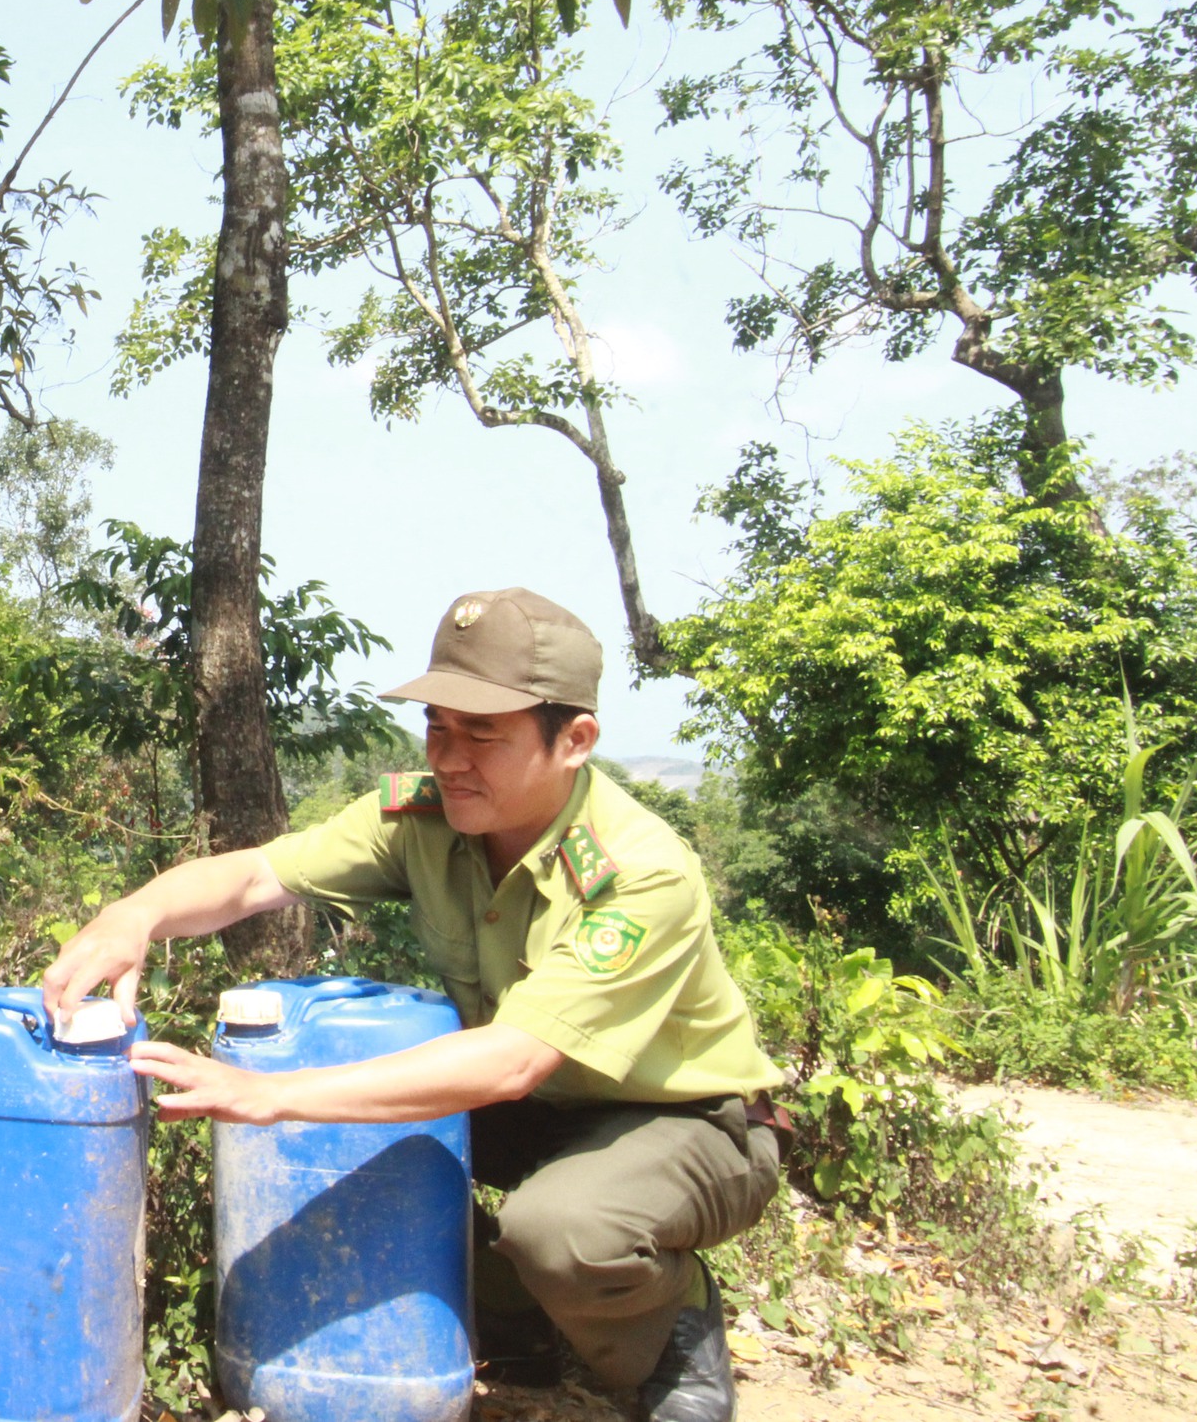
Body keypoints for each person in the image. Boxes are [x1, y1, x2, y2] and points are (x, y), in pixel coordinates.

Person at [40, 588, 785, 1422]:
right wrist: (133, 913)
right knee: (361, 1131)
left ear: (574, 740)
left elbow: (513, 1058)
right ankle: (513, 1310)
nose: (449, 757)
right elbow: (258, 874)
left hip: (681, 1122)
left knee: (561, 1229)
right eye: (438, 726)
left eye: (483, 734)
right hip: (530, 1106)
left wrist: (270, 1095)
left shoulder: (640, 870)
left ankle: (672, 1316)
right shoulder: (424, 813)